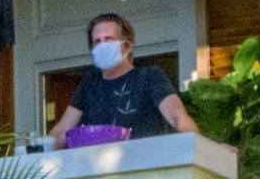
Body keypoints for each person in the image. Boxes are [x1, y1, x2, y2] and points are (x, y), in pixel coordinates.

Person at [52, 11, 198, 146]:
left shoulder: (149, 76)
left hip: (146, 164)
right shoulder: (90, 83)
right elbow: (63, 129)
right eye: (97, 41)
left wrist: (201, 146)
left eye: (108, 39)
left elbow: (176, 115)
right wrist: (38, 154)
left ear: (127, 46)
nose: (102, 45)